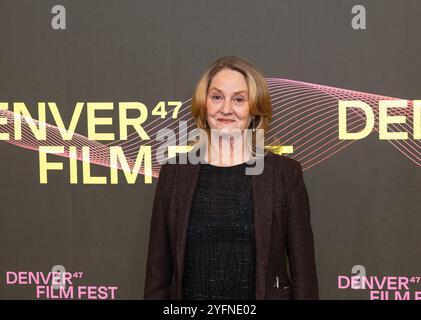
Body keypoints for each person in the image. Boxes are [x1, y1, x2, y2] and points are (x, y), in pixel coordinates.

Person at [144, 56, 318, 300]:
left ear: (254, 108)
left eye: (239, 99)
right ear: (203, 104)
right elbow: (157, 277)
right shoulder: (174, 174)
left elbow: (304, 276)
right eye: (217, 97)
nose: (226, 109)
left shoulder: (284, 175)